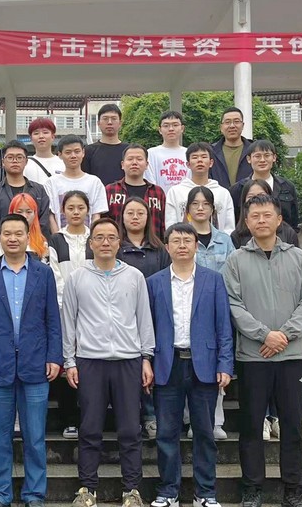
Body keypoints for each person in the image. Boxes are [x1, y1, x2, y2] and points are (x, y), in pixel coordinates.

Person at [224, 194, 302, 507]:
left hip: (293, 357)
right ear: (246, 221)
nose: (261, 220)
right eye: (255, 216)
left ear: (279, 220)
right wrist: (264, 334)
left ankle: (294, 490)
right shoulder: (236, 260)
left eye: (267, 215)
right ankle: (252, 489)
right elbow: (233, 304)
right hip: (254, 357)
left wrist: (285, 335)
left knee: (292, 426)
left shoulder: (298, 257)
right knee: (251, 426)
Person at [63, 217, 154, 507]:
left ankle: (132, 490)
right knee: (90, 428)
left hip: (128, 360)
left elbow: (144, 319)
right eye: (99, 237)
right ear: (91, 243)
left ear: (119, 243)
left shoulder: (134, 276)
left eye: (111, 237)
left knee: (130, 429)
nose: (105, 242)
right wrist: (69, 361)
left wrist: (146, 357)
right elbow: (69, 322)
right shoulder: (77, 277)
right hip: (90, 360)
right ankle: (87, 489)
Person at [0, 214, 62, 507]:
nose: (12, 238)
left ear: (28, 236)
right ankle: (0, 493)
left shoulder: (43, 273)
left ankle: (34, 493)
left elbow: (52, 319)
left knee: (35, 436)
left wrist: (54, 356)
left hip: (35, 365)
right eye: (7, 233)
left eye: (18, 233)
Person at [146, 223, 234, 507]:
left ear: (197, 245)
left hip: (204, 365)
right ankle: (168, 491)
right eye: (176, 241)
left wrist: (225, 364)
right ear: (167, 247)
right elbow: (147, 327)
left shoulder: (214, 280)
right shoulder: (154, 282)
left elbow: (224, 326)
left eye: (187, 240)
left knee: (205, 433)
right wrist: (146, 361)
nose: (182, 245)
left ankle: (205, 493)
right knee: (166, 433)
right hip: (167, 363)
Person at [182, 186, 234, 441]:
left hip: (217, 308)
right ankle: (192, 420)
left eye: (205, 204)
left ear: (213, 209)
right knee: (188, 367)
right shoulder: (183, 238)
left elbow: (232, 275)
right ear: (188, 209)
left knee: (215, 366)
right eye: (195, 203)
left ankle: (215, 420)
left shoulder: (225, 240)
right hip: (186, 308)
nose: (200, 208)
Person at [116, 197, 171, 440]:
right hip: (123, 316)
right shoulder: (117, 247)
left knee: (151, 365)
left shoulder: (159, 249)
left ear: (149, 217)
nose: (135, 217)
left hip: (155, 314)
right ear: (122, 217)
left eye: (140, 212)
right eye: (130, 213)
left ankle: (151, 417)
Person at [48, 191, 93, 440]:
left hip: (93, 311)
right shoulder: (56, 240)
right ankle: (69, 420)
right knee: (68, 363)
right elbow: (55, 275)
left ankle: (89, 418)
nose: (76, 212)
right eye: (71, 208)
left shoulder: (94, 238)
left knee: (88, 365)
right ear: (63, 211)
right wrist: (68, 304)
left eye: (80, 207)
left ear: (88, 210)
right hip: (63, 308)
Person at [0, 140, 51, 239]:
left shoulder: (39, 190)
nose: (15, 161)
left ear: (26, 161)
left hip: (34, 244)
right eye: (10, 157)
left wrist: (27, 240)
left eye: (19, 157)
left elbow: (44, 223)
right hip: (1, 245)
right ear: (3, 162)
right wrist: (7, 240)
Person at [165, 142, 235, 235]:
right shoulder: (175, 192)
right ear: (188, 164)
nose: (199, 160)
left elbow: (229, 227)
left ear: (211, 163)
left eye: (204, 157)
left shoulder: (223, 193)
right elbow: (170, 224)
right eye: (195, 157)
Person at [44, 135, 109, 234]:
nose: (73, 156)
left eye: (77, 151)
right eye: (68, 152)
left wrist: (91, 237)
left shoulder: (95, 182)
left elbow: (96, 215)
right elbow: (51, 216)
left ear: (83, 153)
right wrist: (57, 239)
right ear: (60, 155)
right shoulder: (51, 183)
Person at [229, 140, 299, 230]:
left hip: (283, 236)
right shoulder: (237, 189)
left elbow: (294, 221)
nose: (262, 160)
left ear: (274, 158)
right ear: (249, 159)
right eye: (257, 156)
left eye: (267, 155)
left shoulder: (287, 187)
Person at [105, 143, 166, 240]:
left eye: (139, 159)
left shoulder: (158, 192)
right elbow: (104, 222)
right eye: (130, 159)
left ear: (146, 165)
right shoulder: (110, 191)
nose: (134, 163)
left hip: (152, 246)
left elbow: (163, 225)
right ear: (122, 165)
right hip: (118, 246)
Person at [230, 179, 298, 250]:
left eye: (261, 195)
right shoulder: (236, 236)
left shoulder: (288, 232)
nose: (256, 200)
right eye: (251, 197)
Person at [82, 104, 129, 185]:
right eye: (105, 119)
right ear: (98, 123)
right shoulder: (88, 151)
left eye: (114, 119)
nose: (109, 122)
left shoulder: (129, 150)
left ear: (120, 123)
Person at [145, 111, 189, 194]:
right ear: (160, 130)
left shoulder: (189, 153)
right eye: (166, 126)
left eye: (175, 125)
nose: (171, 129)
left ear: (182, 128)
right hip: (159, 199)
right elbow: (149, 181)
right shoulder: (151, 153)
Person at [209, 107, 253, 189]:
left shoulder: (253, 150)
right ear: (221, 127)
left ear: (243, 125)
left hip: (248, 196)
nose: (232, 126)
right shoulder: (210, 152)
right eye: (227, 122)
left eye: (236, 121)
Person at [7, 193, 48, 263]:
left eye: (29, 212)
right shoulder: (3, 241)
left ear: (35, 214)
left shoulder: (42, 243)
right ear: (11, 213)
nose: (24, 216)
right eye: (19, 212)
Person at [23, 118, 64, 185]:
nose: (41, 136)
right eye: (36, 133)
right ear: (31, 138)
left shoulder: (63, 163)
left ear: (53, 136)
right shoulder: (24, 164)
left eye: (45, 132)